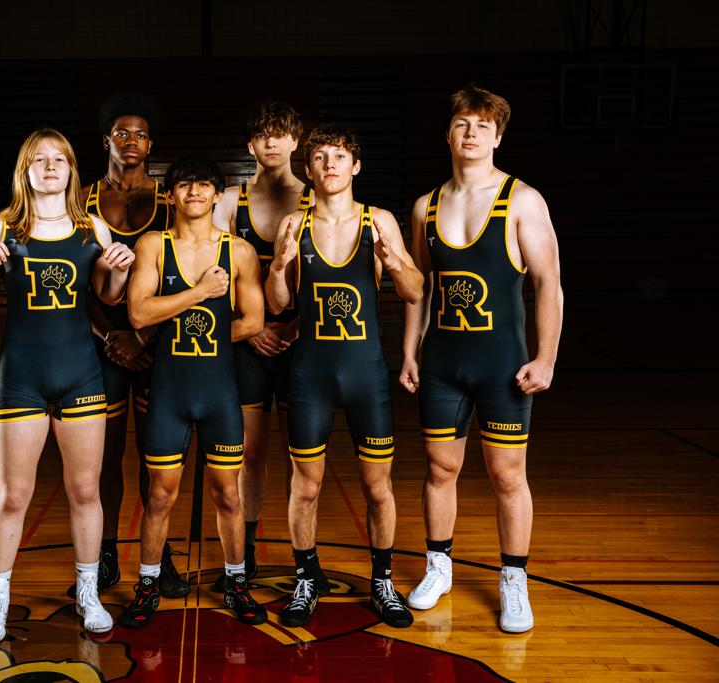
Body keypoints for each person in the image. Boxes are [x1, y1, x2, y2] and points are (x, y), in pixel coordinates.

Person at [400, 86, 563, 634]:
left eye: (482, 127)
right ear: (448, 134)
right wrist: (408, 350)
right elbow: (420, 287)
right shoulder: (425, 205)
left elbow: (549, 286)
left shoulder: (523, 200)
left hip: (504, 366)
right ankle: (438, 564)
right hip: (443, 363)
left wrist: (546, 358)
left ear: (497, 137)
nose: (471, 135)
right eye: (462, 125)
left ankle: (514, 579)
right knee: (440, 468)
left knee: (506, 475)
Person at [0, 129, 135, 641]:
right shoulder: (2, 225)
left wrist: (118, 271)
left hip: (81, 374)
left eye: (59, 158)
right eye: (40, 159)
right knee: (13, 495)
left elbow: (105, 295)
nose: (51, 166)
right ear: (26, 170)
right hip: (21, 378)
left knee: (85, 490)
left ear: (72, 168)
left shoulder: (93, 228)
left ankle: (88, 592)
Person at [265, 125, 423, 628]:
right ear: (308, 170)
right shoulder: (294, 222)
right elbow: (278, 305)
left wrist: (395, 261)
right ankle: (306, 577)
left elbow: (417, 291)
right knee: (305, 485)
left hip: (365, 375)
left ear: (356, 167)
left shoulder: (379, 221)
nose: (330, 164)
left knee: (378, 487)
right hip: (310, 373)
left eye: (340, 156)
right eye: (320, 157)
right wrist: (278, 266)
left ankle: (383, 581)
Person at [120, 154, 266, 628]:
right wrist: (199, 294)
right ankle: (146, 584)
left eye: (204, 186)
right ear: (170, 195)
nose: (195, 193)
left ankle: (236, 582)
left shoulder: (238, 251)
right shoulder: (153, 246)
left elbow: (255, 321)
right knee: (160, 495)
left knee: (228, 494)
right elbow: (139, 314)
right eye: (185, 186)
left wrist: (203, 331)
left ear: (218, 195)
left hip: (219, 390)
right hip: (169, 391)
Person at [79, 93, 186, 597]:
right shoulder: (81, 199)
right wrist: (108, 335)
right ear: (107, 140)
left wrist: (142, 335)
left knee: (154, 456)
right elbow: (73, 281)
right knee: (104, 458)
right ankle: (103, 553)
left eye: (140, 133)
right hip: (98, 344)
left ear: (151, 143)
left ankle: (157, 552)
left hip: (154, 343)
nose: (131, 141)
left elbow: (177, 277)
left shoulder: (170, 200)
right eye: (121, 132)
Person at [212, 101, 312, 587]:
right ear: (250, 146)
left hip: (302, 339)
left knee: (302, 453)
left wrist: (293, 328)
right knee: (250, 454)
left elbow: (329, 277)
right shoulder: (231, 201)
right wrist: (253, 327)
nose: (271, 143)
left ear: (296, 141)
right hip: (247, 339)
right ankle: (246, 549)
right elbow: (216, 273)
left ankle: (301, 554)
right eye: (262, 136)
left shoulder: (319, 198)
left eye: (281, 134)